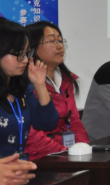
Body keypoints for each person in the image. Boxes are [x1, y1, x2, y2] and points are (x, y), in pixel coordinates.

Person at [0, 20, 59, 159]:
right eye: (18, 53)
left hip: (17, 167)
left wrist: (40, 85)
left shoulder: (22, 88)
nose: (24, 60)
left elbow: (47, 123)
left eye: (26, 53)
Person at [23, 21, 89, 160]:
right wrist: (63, 153)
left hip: (66, 154)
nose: (59, 46)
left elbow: (74, 121)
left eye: (60, 40)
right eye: (52, 41)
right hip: (40, 157)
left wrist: (84, 149)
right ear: (32, 48)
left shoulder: (66, 79)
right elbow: (31, 134)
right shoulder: (24, 83)